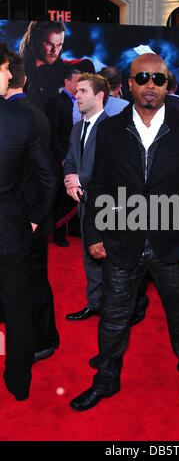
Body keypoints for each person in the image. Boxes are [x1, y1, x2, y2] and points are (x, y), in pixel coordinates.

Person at [69, 53, 179, 412]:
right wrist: (94, 233)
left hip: (173, 242)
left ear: (168, 85)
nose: (150, 86)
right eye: (143, 79)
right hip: (122, 239)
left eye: (158, 79)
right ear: (129, 84)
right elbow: (101, 186)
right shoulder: (110, 129)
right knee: (112, 316)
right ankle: (105, 379)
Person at [0, 43, 58, 400]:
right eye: (4, 69)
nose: (9, 74)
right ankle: (19, 382)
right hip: (12, 233)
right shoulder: (21, 118)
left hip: (12, 231)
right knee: (17, 307)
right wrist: (35, 219)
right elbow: (49, 177)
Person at [63, 73, 110, 321]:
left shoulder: (113, 127)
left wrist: (80, 179)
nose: (76, 95)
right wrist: (70, 179)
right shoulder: (77, 128)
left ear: (99, 95)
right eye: (77, 91)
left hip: (107, 206)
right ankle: (95, 303)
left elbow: (109, 168)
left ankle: (117, 308)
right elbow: (71, 158)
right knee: (88, 255)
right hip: (83, 203)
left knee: (109, 257)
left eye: (83, 91)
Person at [46, 67, 82, 247]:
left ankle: (75, 227)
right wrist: (61, 159)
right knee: (61, 196)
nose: (80, 85)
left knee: (75, 194)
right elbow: (52, 133)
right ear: (67, 81)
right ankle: (58, 233)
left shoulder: (81, 102)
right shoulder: (56, 102)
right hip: (61, 158)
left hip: (77, 157)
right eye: (77, 81)